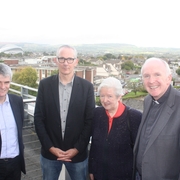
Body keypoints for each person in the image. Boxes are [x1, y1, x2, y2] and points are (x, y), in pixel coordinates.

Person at [34, 45, 95, 180]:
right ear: (56, 60)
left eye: (69, 59)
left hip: (77, 156)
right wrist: (50, 147)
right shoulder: (44, 85)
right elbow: (38, 118)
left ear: (76, 61)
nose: (66, 63)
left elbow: (90, 121)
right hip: (50, 155)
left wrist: (77, 149)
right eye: (62, 59)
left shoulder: (87, 88)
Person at [133, 57, 180, 180]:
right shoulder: (148, 100)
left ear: (169, 78)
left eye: (157, 75)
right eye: (146, 76)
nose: (151, 81)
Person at [89, 77, 142, 180]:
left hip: (124, 175)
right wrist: (91, 169)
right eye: (102, 96)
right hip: (100, 174)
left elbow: (140, 150)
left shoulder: (134, 117)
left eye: (109, 96)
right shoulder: (97, 113)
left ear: (119, 97)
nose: (104, 100)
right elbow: (94, 146)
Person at [0, 63, 26, 180]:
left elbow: (20, 129)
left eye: (6, 82)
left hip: (15, 163)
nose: (3, 86)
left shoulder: (17, 101)